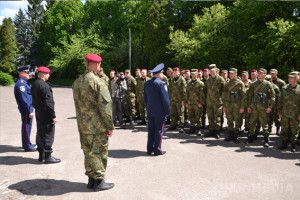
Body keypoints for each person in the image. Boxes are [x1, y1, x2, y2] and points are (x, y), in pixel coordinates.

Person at [72, 53, 114, 191]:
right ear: (97, 64)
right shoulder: (97, 81)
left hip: (83, 125)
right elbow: (105, 106)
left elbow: (77, 105)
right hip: (97, 126)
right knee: (99, 152)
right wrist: (109, 126)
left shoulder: (78, 81)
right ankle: (99, 181)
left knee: (88, 152)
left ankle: (91, 180)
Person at [31, 66, 61, 164]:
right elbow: (49, 103)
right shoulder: (44, 85)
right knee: (48, 134)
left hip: (39, 112)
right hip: (46, 113)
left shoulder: (34, 84)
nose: (49, 75)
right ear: (43, 74)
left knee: (40, 133)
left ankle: (41, 155)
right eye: (48, 74)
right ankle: (47, 157)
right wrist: (53, 115)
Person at [144, 63, 170, 156]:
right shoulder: (161, 84)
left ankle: (149, 149)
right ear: (159, 73)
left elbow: (145, 99)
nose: (163, 75)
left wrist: (148, 108)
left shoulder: (147, 83)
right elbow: (165, 100)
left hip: (150, 111)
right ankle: (157, 150)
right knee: (159, 130)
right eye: (162, 73)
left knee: (151, 130)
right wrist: (167, 111)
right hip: (159, 112)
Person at [246, 68, 275, 147]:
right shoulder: (253, 84)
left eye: (262, 73)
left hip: (263, 108)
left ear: (265, 75)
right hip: (254, 108)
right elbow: (249, 96)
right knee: (252, 123)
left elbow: (272, 97)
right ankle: (250, 137)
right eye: (259, 73)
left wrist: (270, 107)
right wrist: (249, 106)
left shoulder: (268, 84)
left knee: (264, 124)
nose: (260, 75)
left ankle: (266, 140)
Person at [14, 65, 36, 152]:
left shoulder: (25, 82)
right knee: (27, 126)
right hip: (26, 109)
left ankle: (26, 143)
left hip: (28, 108)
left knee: (27, 126)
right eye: (27, 73)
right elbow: (24, 99)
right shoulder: (21, 84)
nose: (29, 74)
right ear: (21, 73)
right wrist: (29, 111)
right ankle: (27, 146)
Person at [222, 68, 246, 143]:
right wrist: (224, 106)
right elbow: (224, 95)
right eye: (230, 73)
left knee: (237, 120)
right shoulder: (227, 83)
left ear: (236, 74)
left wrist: (242, 107)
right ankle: (230, 135)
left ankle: (236, 136)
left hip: (237, 106)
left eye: (232, 73)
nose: (231, 75)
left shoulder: (240, 83)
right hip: (229, 105)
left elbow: (244, 96)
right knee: (229, 120)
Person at [278, 71, 300, 152]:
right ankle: (284, 143)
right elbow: (280, 101)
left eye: (291, 77)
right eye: (289, 77)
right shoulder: (284, 88)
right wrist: (279, 112)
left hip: (295, 114)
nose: (289, 79)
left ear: (296, 79)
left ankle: (293, 144)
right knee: (284, 128)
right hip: (285, 113)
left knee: (295, 129)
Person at [205, 64, 225, 139]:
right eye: (211, 71)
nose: (212, 72)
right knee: (210, 116)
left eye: (213, 71)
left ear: (216, 71)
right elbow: (206, 90)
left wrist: (222, 101)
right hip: (209, 102)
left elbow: (224, 91)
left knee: (217, 117)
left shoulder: (220, 79)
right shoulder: (208, 80)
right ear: (209, 72)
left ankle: (217, 131)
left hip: (218, 102)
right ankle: (211, 130)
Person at [186, 69, 205, 135]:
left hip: (197, 103)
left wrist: (201, 103)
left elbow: (202, 95)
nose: (193, 75)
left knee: (198, 116)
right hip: (190, 103)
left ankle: (198, 129)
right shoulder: (189, 83)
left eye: (194, 74)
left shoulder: (200, 83)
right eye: (192, 74)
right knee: (191, 116)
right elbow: (187, 93)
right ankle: (192, 128)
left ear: (197, 75)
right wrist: (187, 102)